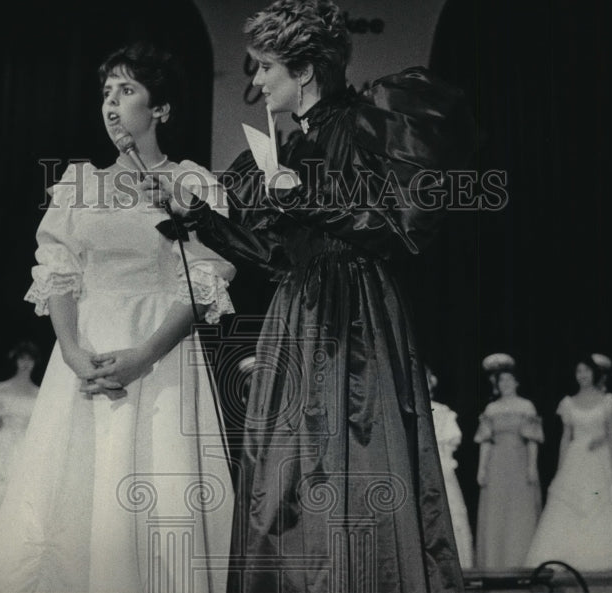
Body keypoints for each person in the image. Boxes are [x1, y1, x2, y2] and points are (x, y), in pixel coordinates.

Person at [145, 2, 475, 590]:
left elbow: (402, 227)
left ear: (303, 70)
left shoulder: (367, 123)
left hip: (355, 310)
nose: (256, 81)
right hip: (297, 308)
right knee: (284, 477)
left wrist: (306, 200)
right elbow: (275, 256)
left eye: (265, 66)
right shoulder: (289, 148)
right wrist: (205, 221)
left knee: (357, 458)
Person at [0, 43, 236, 593]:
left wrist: (144, 355)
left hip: (160, 356)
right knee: (72, 492)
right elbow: (60, 274)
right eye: (107, 93)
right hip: (85, 355)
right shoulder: (77, 184)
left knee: (153, 487)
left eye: (128, 91)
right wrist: (70, 352)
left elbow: (204, 279)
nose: (112, 104)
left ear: (160, 109)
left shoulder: (193, 183)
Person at [524, 356, 612, 570]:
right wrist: (560, 469)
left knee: (604, 504)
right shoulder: (568, 403)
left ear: (594, 373)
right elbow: (565, 437)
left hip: (603, 458)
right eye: (579, 371)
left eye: (586, 370)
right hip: (576, 458)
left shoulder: (607, 400)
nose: (583, 375)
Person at [473, 353, 544, 568]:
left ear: (516, 382)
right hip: (496, 464)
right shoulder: (491, 409)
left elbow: (532, 440)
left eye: (508, 380)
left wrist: (532, 467)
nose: (505, 384)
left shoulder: (526, 407)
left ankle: (520, 562)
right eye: (500, 380)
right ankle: (496, 563)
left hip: (519, 461)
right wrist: (481, 469)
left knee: (518, 511)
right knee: (497, 510)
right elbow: (485, 441)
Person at [0, 340, 40, 541]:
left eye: (29, 359)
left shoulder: (38, 392)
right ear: (16, 361)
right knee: (0, 489)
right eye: (22, 359)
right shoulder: (3, 388)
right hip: (4, 443)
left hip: (25, 444)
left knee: (22, 492)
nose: (25, 363)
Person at [427, 368, 474, 569]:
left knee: (449, 513)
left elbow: (451, 441)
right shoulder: (406, 408)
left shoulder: (443, 411)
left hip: (441, 468)